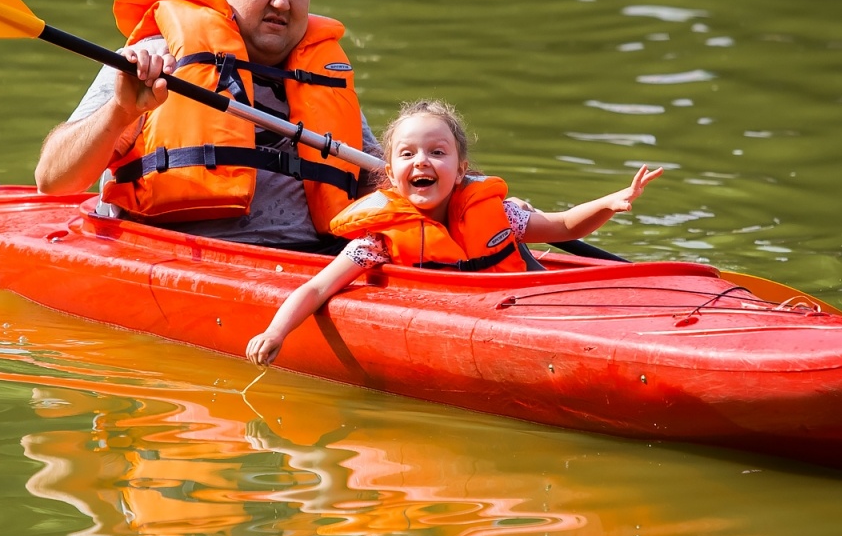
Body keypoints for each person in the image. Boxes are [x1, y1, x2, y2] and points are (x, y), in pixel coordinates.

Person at [35, 0, 381, 250]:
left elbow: (380, 185)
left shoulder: (325, 77)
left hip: (317, 264)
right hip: (184, 259)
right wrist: (120, 112)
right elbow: (52, 180)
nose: (281, 2)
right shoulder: (153, 59)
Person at [245, 99, 664, 366]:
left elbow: (563, 225)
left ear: (461, 169)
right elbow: (317, 289)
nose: (422, 161)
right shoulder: (378, 241)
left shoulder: (500, 215)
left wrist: (609, 203)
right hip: (458, 328)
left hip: (521, 313)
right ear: (391, 175)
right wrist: (274, 331)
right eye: (408, 154)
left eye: (438, 152)